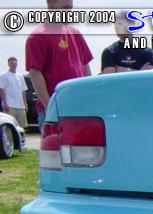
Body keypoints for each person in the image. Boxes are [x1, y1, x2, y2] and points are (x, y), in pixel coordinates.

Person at [25, 0, 93, 128]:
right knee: (57, 142)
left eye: (71, 8)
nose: (69, 12)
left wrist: (89, 96)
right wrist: (50, 107)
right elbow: (35, 73)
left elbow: (86, 66)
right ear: (50, 5)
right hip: (57, 108)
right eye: (65, 8)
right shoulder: (38, 37)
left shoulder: (75, 33)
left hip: (80, 106)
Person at [0, 57, 28, 128]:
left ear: (17, 64)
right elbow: (1, 90)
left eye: (15, 63)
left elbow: (23, 91)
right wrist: (5, 103)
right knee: (10, 128)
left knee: (21, 127)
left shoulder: (20, 76)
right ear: (8, 64)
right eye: (11, 63)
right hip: (10, 106)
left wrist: (25, 104)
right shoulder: (3, 75)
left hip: (20, 106)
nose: (13, 64)